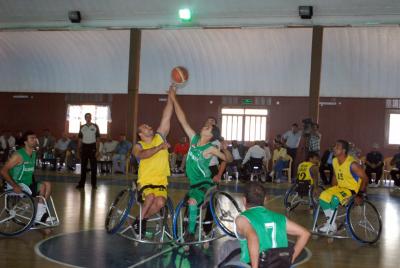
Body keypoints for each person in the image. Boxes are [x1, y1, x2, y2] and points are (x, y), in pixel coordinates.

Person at [169, 88, 232, 240]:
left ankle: (191, 233)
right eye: (207, 124)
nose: (206, 126)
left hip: (205, 182)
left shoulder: (210, 148)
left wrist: (225, 149)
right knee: (191, 204)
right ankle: (191, 226)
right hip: (193, 182)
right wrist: (173, 98)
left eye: (209, 127)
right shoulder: (194, 139)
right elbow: (182, 119)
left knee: (192, 202)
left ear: (211, 135)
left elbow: (228, 159)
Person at [234, 182, 310, 267]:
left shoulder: (243, 219)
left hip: (257, 264)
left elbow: (253, 237)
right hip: (280, 264)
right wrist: (290, 259)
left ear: (244, 200)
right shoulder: (280, 218)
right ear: (265, 199)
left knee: (228, 249)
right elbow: (305, 234)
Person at [131, 85, 174, 235]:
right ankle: (140, 223)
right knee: (149, 198)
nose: (149, 126)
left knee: (160, 203)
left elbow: (166, 116)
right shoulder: (138, 145)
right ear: (140, 134)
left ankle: (140, 219)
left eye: (148, 126)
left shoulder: (160, 136)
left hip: (161, 179)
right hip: (146, 179)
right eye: (145, 127)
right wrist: (159, 148)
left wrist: (171, 97)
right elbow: (141, 155)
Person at [0, 131, 52, 224]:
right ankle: (40, 215)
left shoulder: (34, 154)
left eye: (35, 138)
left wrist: (35, 184)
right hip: (16, 185)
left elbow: (30, 173)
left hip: (27, 184)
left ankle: (40, 212)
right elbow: (3, 171)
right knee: (43, 186)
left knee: (48, 184)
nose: (35, 140)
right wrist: (15, 186)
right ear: (25, 142)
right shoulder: (18, 155)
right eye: (32, 138)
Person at [318, 140, 368, 232]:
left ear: (344, 151)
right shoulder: (334, 161)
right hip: (340, 188)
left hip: (352, 190)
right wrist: (331, 189)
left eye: (337, 147)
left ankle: (330, 224)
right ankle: (331, 224)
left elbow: (365, 178)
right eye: (334, 147)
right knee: (323, 196)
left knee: (335, 199)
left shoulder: (352, 164)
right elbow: (335, 175)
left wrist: (360, 194)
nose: (334, 149)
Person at [76, 113, 100, 190]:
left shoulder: (95, 126)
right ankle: (81, 184)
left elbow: (98, 139)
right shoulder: (82, 127)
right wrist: (78, 151)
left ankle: (94, 184)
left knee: (93, 167)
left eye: (89, 117)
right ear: (85, 118)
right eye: (87, 117)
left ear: (91, 118)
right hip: (84, 147)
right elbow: (79, 140)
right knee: (83, 167)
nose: (88, 118)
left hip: (92, 147)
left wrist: (97, 150)